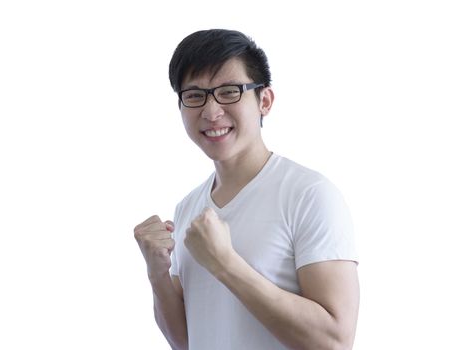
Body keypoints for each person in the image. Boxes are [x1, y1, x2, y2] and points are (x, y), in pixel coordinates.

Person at [134, 29, 359, 350]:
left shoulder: (309, 194)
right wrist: (158, 275)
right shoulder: (187, 208)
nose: (211, 112)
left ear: (264, 100)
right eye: (195, 95)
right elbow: (186, 340)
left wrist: (226, 263)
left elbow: (334, 342)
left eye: (229, 92)